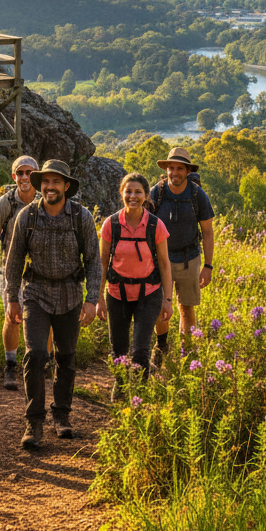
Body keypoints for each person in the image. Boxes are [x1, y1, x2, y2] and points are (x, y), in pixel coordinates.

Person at [4, 159, 102, 449]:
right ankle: (33, 421)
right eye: (45, 181)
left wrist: (92, 299)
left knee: (67, 356)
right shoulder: (27, 216)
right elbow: (14, 260)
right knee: (35, 355)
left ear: (66, 186)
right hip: (35, 292)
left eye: (56, 182)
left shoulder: (81, 217)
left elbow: (94, 260)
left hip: (71, 293)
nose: (50, 187)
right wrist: (12, 299)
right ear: (40, 185)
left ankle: (62, 415)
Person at [97, 173, 173, 390]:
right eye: (128, 191)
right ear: (121, 194)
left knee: (140, 350)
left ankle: (140, 395)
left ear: (146, 195)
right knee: (118, 350)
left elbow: (165, 264)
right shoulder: (110, 225)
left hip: (148, 295)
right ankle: (120, 389)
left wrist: (167, 299)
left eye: (138, 192)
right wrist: (98, 298)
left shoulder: (155, 225)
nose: (133, 196)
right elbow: (102, 263)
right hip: (116, 295)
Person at [150, 147, 215, 357]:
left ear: (188, 171)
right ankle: (161, 347)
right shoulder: (156, 193)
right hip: (160, 260)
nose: (174, 172)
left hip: (189, 259)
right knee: (160, 307)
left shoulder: (198, 195)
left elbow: (207, 232)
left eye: (180, 168)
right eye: (171, 168)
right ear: (166, 169)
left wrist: (208, 266)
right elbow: (144, 226)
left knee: (186, 308)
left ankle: (186, 353)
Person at [0, 155, 43, 391]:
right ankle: (10, 366)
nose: (25, 177)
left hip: (41, 271)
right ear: (14, 176)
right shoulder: (6, 203)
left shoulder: (45, 200)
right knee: (13, 318)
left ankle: (44, 365)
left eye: (29, 173)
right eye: (20, 173)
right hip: (10, 270)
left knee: (45, 320)